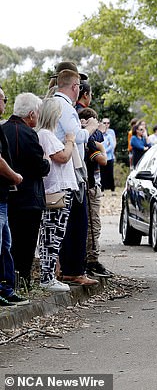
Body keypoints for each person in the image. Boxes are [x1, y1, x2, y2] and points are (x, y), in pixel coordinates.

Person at [53, 67, 99, 286]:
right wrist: (90, 127)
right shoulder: (66, 107)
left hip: (60, 171)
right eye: (79, 86)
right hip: (70, 171)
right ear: (75, 87)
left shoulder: (52, 103)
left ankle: (64, 267)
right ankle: (74, 270)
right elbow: (76, 136)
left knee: (63, 221)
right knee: (76, 222)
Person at [2, 93, 50, 291]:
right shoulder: (29, 134)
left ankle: (8, 281)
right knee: (26, 244)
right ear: (31, 114)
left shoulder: (3, 129)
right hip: (28, 197)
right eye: (37, 114)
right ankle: (23, 281)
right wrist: (46, 162)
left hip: (7, 196)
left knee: (8, 244)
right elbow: (40, 166)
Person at [36, 98, 77, 292]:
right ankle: (47, 276)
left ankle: (49, 274)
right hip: (56, 191)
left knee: (52, 234)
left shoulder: (45, 135)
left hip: (56, 190)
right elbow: (62, 156)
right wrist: (69, 141)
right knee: (53, 233)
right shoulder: (46, 135)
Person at [0, 86, 27, 306]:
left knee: (6, 245)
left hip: (3, 197)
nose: (5, 103)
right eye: (3, 99)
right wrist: (15, 176)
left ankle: (6, 288)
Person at [78, 108, 112, 278]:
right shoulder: (89, 142)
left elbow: (100, 137)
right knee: (93, 225)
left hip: (91, 185)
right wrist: (100, 147)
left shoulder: (88, 138)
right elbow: (102, 159)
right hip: (90, 186)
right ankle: (91, 260)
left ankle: (89, 258)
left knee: (91, 224)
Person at [100, 117, 116, 191]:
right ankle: (102, 188)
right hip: (101, 156)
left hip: (109, 156)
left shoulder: (110, 133)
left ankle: (112, 189)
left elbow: (112, 144)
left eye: (108, 123)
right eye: (104, 123)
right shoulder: (99, 133)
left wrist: (104, 151)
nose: (106, 124)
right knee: (102, 173)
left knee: (110, 173)